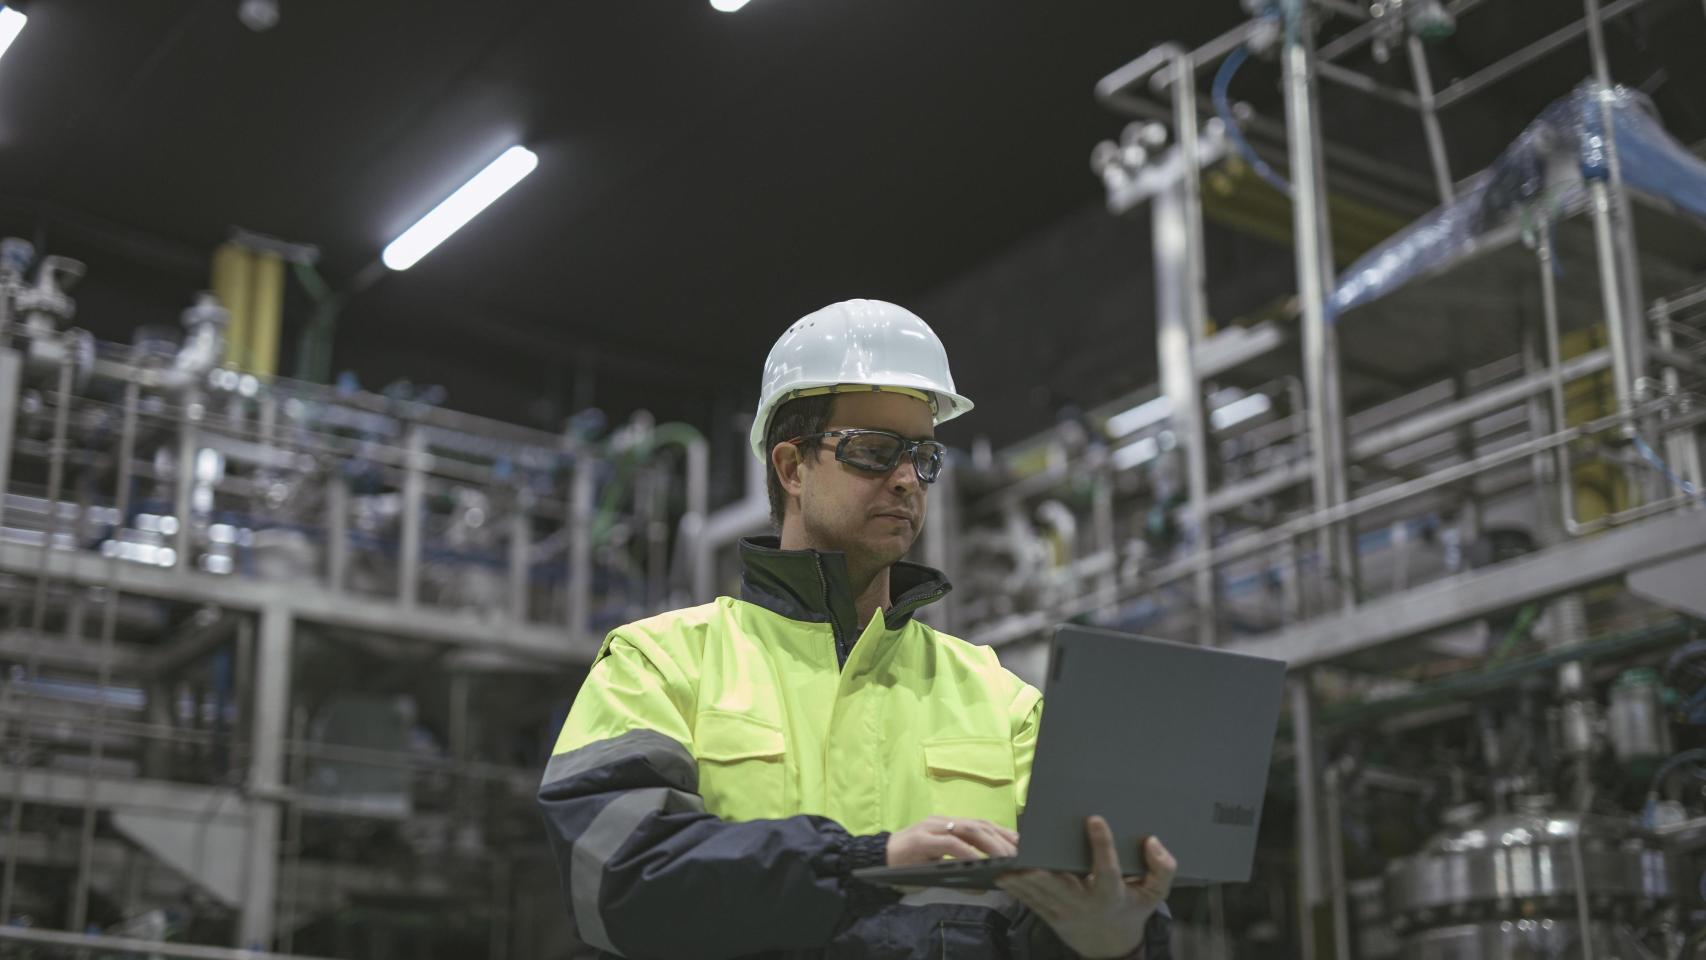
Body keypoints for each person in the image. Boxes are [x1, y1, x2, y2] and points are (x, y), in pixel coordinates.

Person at [538, 299, 1175, 958]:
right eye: (874, 451)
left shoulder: (1004, 704)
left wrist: (1115, 939)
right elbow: (618, 876)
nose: (907, 480)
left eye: (923, 456)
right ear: (792, 467)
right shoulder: (659, 665)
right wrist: (863, 863)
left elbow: (1057, 907)